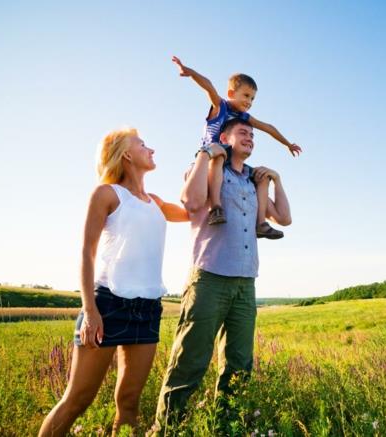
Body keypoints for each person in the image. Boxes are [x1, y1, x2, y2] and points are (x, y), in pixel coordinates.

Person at [39, 127, 189, 437]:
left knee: (129, 402)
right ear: (127, 155)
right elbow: (86, 252)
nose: (152, 150)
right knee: (77, 400)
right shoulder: (107, 194)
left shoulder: (156, 203)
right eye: (143, 144)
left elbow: (194, 212)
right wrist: (90, 310)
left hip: (147, 309)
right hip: (107, 304)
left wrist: (206, 163)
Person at [152, 118, 292, 434]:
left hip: (245, 282)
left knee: (239, 366)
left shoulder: (252, 181)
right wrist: (206, 153)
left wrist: (277, 180)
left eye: (253, 135)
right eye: (243, 132)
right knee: (190, 361)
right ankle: (166, 430)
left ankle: (225, 428)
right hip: (209, 278)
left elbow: (284, 217)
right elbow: (189, 202)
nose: (251, 138)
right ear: (224, 137)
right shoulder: (211, 169)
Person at [171, 55, 300, 239]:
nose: (249, 102)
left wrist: (287, 144)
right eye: (246, 96)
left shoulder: (245, 118)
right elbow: (208, 86)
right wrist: (190, 72)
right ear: (231, 93)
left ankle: (261, 223)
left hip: (232, 161)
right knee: (220, 156)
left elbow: (268, 127)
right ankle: (216, 207)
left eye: (253, 99)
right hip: (212, 154)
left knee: (262, 178)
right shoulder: (220, 106)